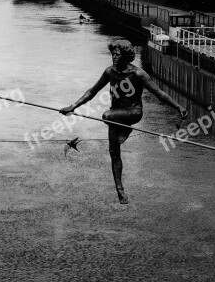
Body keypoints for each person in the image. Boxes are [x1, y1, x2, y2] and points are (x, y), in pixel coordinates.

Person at [60, 42, 187, 204]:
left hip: (133, 114)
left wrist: (178, 106)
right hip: (116, 116)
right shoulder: (109, 72)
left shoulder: (138, 74)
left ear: (126, 57)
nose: (114, 57)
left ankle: (127, 130)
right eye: (112, 54)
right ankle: (120, 191)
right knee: (113, 153)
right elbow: (92, 92)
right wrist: (73, 106)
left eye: (118, 55)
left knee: (105, 115)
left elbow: (159, 93)